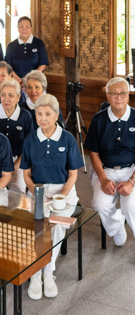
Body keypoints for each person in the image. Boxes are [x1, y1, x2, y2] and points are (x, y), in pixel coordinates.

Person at [20, 94, 84, 299]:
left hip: (63, 192)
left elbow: (73, 175)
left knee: (55, 226)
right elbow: (26, 174)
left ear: (56, 115)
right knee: (35, 226)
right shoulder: (30, 139)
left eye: (48, 113)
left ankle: (47, 272)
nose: (43, 118)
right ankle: (35, 274)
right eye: (39, 114)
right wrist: (36, 192)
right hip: (37, 191)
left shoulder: (67, 138)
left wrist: (61, 197)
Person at [85, 77, 135, 247]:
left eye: (122, 93)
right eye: (114, 93)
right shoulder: (98, 120)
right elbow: (93, 152)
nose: (119, 97)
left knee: (131, 207)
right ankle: (117, 226)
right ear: (107, 96)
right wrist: (103, 178)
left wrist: (131, 182)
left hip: (132, 171)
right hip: (106, 170)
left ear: (128, 95)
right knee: (100, 204)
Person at [0, 79, 33, 193]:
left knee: (17, 191)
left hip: (18, 161)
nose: (6, 99)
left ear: (18, 97)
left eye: (11, 95)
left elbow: (28, 146)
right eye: (3, 95)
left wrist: (15, 166)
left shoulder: (25, 116)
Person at [4, 16, 49, 84]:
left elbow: (42, 64)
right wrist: (20, 82)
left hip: (36, 80)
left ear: (31, 28)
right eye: (21, 26)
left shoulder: (39, 43)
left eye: (27, 26)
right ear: (18, 28)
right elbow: (8, 67)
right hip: (15, 82)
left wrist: (30, 80)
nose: (24, 29)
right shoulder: (11, 45)